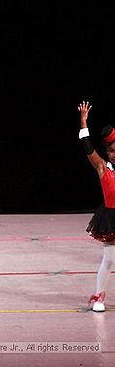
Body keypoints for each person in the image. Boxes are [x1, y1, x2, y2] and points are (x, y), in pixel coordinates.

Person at [78, 101, 115, 312]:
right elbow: (87, 147)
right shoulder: (103, 168)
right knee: (109, 259)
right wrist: (83, 122)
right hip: (110, 217)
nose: (113, 154)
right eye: (110, 151)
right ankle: (99, 297)